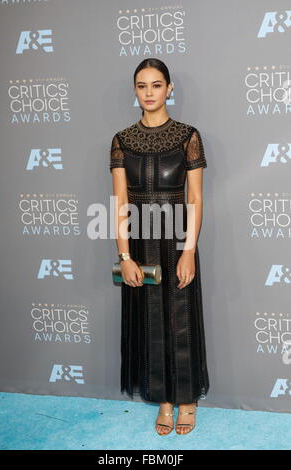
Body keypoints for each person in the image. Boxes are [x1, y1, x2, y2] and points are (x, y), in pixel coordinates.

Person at [109, 58, 209, 436]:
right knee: (150, 319)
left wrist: (188, 250)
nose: (149, 92)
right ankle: (164, 401)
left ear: (169, 89)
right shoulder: (122, 140)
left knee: (179, 319)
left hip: (177, 241)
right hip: (138, 242)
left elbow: (196, 199)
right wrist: (124, 256)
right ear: (135, 91)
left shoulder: (188, 136)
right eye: (141, 85)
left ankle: (187, 399)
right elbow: (119, 202)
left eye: (156, 85)